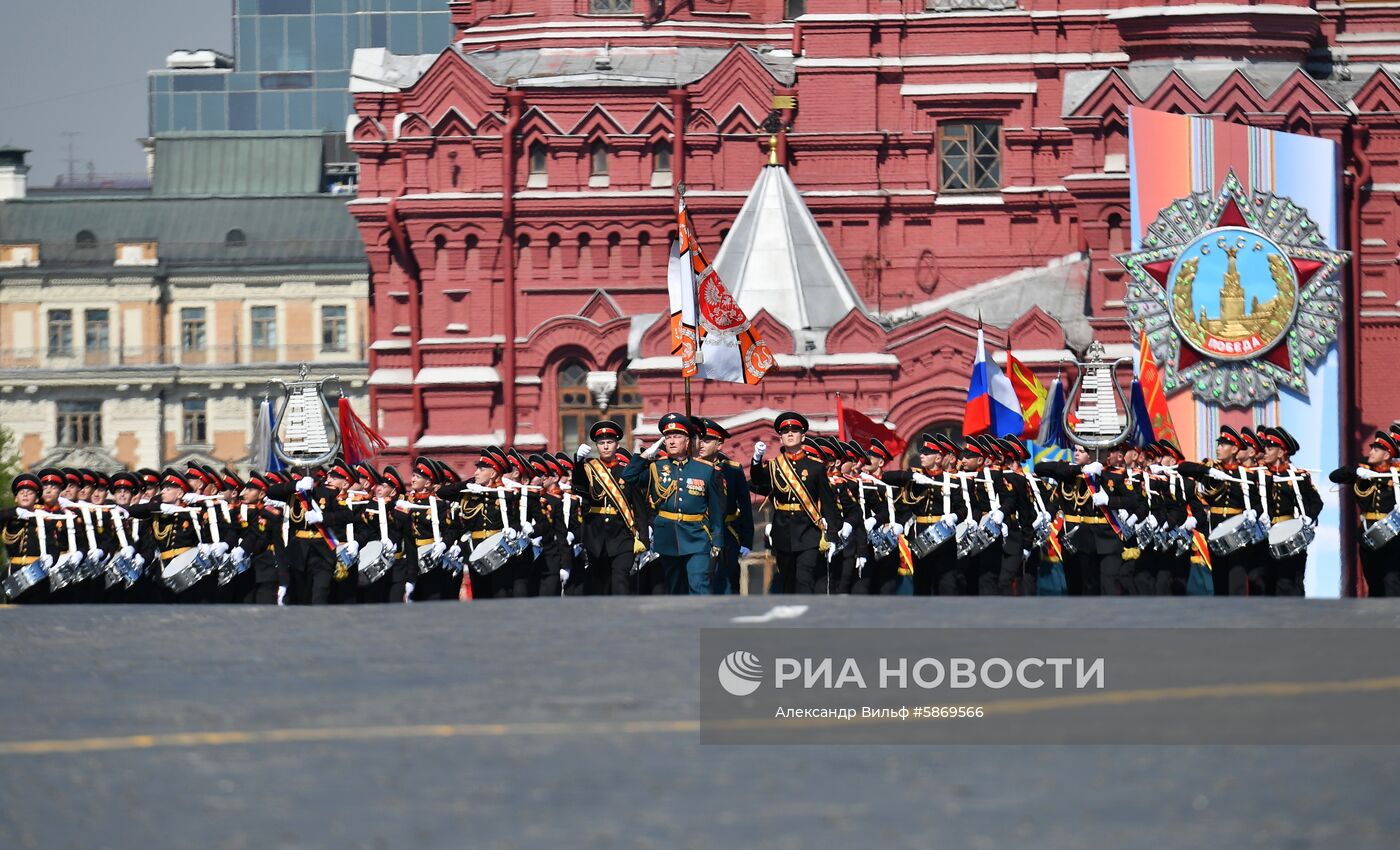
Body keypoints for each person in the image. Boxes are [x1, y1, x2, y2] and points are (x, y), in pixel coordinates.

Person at [624, 412, 723, 594]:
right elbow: (628, 476)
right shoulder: (656, 467)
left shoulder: (706, 470)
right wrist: (644, 456)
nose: (671, 441)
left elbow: (715, 510)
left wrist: (717, 541)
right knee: (674, 588)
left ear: (687, 441)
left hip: (697, 535)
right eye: (667, 437)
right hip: (668, 536)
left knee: (699, 585)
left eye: (677, 437)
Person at [748, 412, 843, 594]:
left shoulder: (815, 467)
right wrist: (756, 459)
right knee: (788, 581)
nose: (790, 434)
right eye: (785, 432)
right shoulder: (775, 466)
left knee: (804, 578)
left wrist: (832, 535)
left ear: (803, 436)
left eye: (794, 431)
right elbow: (757, 479)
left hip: (809, 531)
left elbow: (828, 502)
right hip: (783, 530)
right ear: (781, 438)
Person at [1035, 445, 1139, 595]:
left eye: (1081, 451)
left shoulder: (1113, 474)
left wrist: (1109, 500)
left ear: (1091, 455)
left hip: (1104, 536)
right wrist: (1081, 470)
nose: (1076, 454)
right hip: (1078, 537)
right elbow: (1040, 468)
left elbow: (1133, 501)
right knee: (1080, 585)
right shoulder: (1069, 471)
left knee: (1102, 584)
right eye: (1075, 450)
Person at [573, 420, 646, 595]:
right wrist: (577, 462)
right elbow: (579, 487)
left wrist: (644, 539)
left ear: (617, 444)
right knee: (599, 585)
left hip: (622, 535)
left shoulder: (626, 472)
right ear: (596, 446)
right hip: (596, 536)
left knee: (620, 580)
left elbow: (639, 507)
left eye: (609, 442)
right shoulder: (589, 469)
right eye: (601, 443)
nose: (606, 447)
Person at [1330, 429, 1400, 597]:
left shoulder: (1396, 473)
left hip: (1394, 537)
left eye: (1376, 450)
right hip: (1368, 534)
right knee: (1373, 581)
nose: (1370, 452)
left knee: (1392, 580)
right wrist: (1355, 472)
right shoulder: (1363, 468)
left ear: (1386, 455)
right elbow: (1335, 476)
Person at [1259, 426, 1322, 596]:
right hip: (1266, 536)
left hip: (1290, 536)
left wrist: (1308, 518)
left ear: (1281, 453)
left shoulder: (1298, 476)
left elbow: (1316, 502)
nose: (1264, 450)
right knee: (1267, 584)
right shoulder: (1260, 475)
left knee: (1289, 583)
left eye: (1270, 447)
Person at [695, 418, 753, 595]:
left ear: (719, 444)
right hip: (698, 530)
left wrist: (747, 540)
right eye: (699, 440)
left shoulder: (732, 470)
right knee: (701, 579)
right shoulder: (690, 468)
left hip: (728, 532)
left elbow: (745, 505)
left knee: (728, 581)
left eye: (707, 440)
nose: (701, 445)